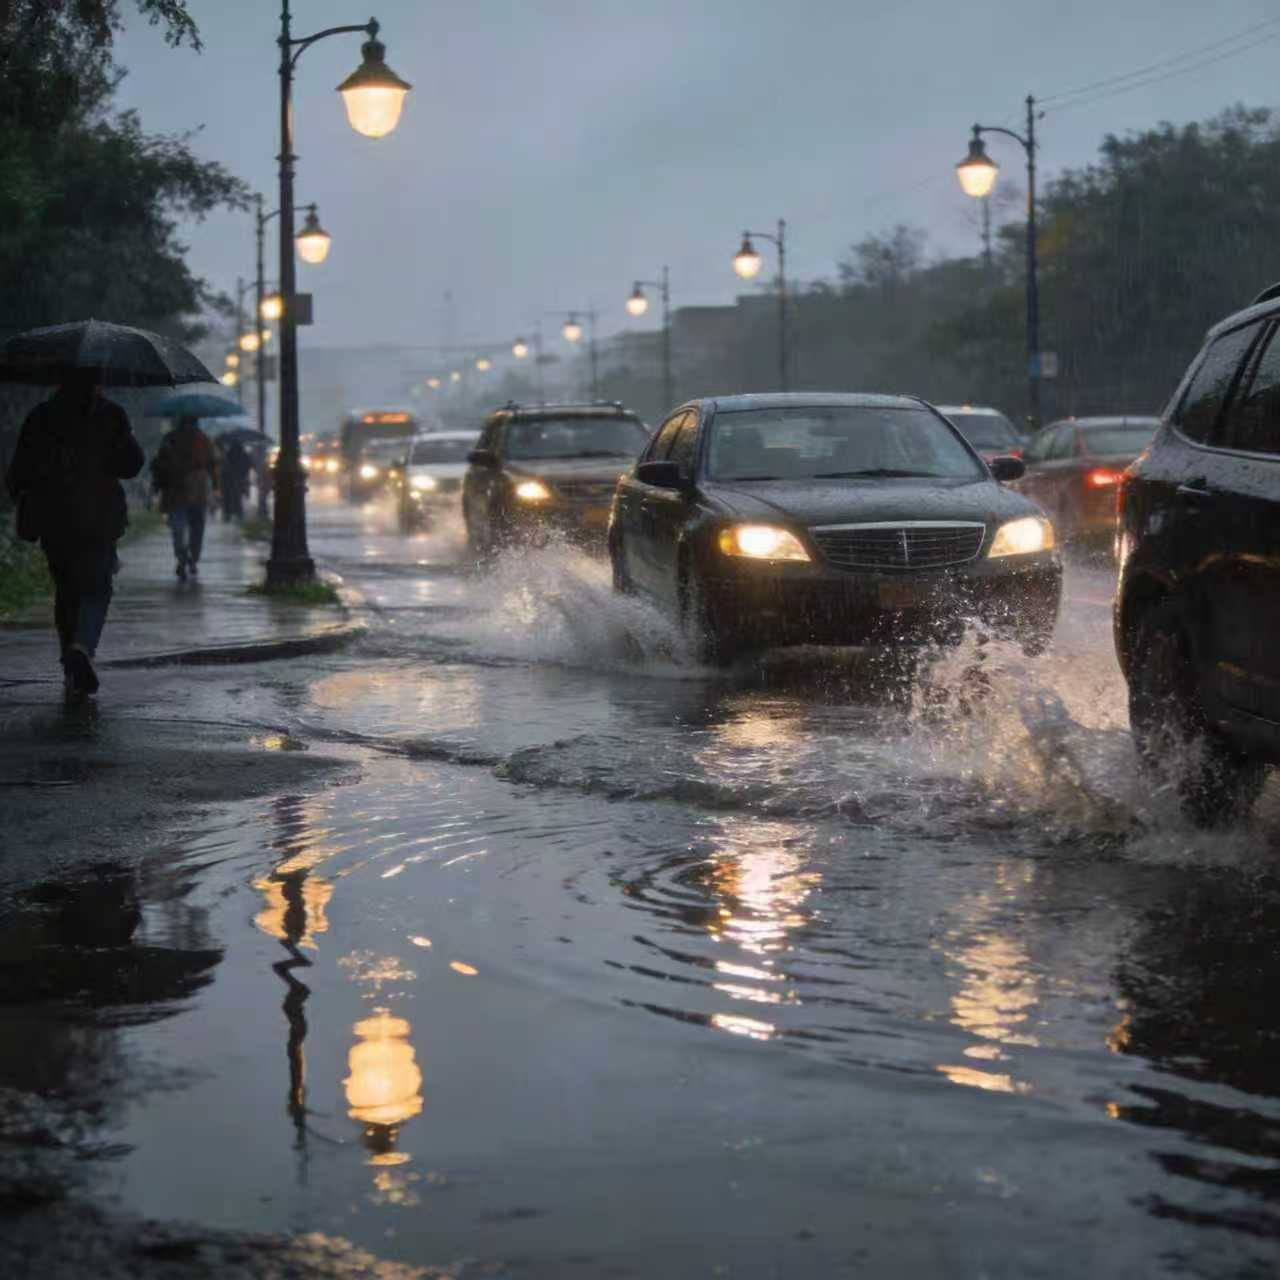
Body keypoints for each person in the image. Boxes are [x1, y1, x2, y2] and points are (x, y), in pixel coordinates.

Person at [4, 368, 144, 698]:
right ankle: (82, 646)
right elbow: (132, 464)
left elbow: (19, 470)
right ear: (97, 382)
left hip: (53, 517)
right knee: (96, 587)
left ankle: (71, 662)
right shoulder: (111, 414)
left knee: (67, 589)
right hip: (99, 516)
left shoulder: (42, 416)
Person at [152, 415, 217, 581]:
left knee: (178, 528)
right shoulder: (204, 440)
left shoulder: (170, 439)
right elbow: (212, 465)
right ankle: (192, 558)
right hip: (197, 488)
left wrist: (157, 486)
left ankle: (182, 556)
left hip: (175, 490)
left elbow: (159, 465)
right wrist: (216, 488)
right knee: (197, 527)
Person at [220, 438, 253, 521]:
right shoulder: (243, 454)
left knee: (228, 497)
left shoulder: (228, 453)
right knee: (237, 497)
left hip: (228, 479)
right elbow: (249, 464)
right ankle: (238, 514)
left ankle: (228, 514)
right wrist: (244, 475)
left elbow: (224, 466)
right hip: (239, 478)